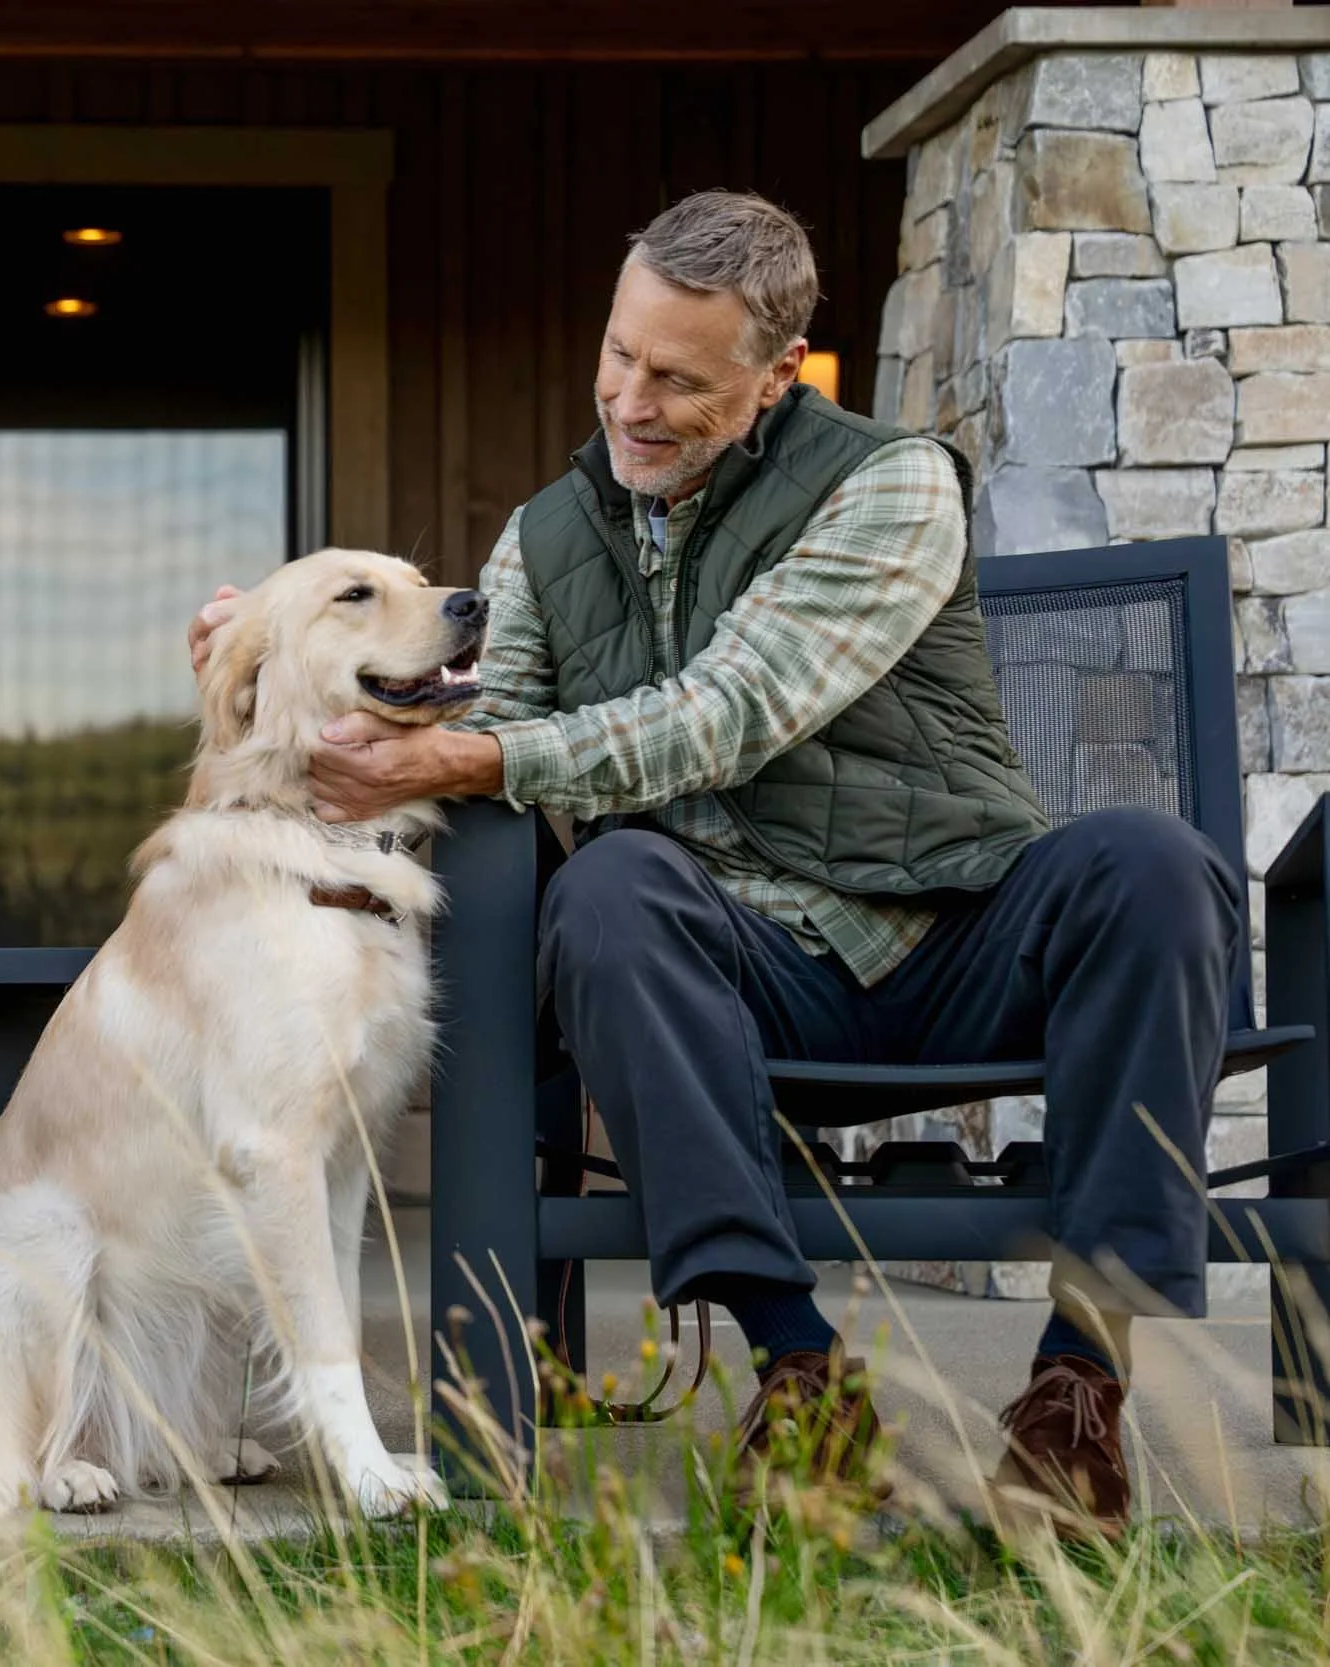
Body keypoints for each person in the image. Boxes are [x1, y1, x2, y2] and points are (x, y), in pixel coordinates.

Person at [188, 190, 1240, 1537]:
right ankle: (797, 1369)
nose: (628, 399)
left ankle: (1075, 1393)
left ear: (773, 378)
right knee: (610, 893)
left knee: (1155, 863)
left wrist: (481, 757)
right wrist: (267, 666)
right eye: (620, 352)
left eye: (677, 377)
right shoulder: (548, 540)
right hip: (734, 971)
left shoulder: (892, 484)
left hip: (961, 931)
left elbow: (731, 712)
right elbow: (449, 711)